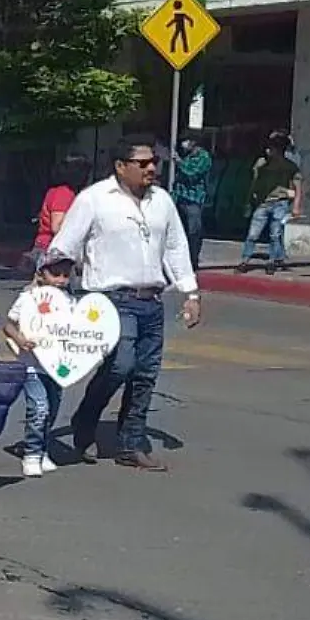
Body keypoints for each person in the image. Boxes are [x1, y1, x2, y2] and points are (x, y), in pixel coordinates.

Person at [47, 136, 204, 472]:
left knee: (146, 373)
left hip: (151, 300)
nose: (151, 168)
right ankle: (85, 421)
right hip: (110, 300)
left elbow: (176, 247)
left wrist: (190, 293)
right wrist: (51, 281)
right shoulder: (94, 199)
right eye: (143, 163)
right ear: (121, 166)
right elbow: (64, 245)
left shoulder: (162, 201)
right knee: (121, 365)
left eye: (155, 163)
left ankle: (130, 445)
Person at [3, 255, 76, 478]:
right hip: (32, 365)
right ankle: (32, 453)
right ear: (41, 274)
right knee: (39, 408)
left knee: (52, 408)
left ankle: (42, 447)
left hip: (58, 367)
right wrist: (20, 340)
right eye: (56, 274)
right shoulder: (28, 298)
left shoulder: (69, 301)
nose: (61, 280)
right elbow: (9, 324)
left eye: (66, 274)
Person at [237, 133, 301, 275]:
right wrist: (249, 201)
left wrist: (296, 205)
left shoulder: (290, 166)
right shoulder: (262, 164)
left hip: (280, 202)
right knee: (253, 233)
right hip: (263, 203)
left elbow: (298, 187)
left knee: (275, 234)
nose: (268, 151)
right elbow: (254, 184)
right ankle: (245, 260)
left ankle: (272, 261)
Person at [32, 155, 91, 267]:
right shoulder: (64, 193)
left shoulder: (57, 191)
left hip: (47, 246)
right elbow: (57, 226)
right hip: (53, 248)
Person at [172, 138, 212, 269]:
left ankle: (193, 260)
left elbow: (193, 174)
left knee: (193, 231)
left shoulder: (203, 157)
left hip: (193, 198)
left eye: (186, 141)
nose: (184, 144)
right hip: (179, 197)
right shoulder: (188, 156)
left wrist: (179, 162)